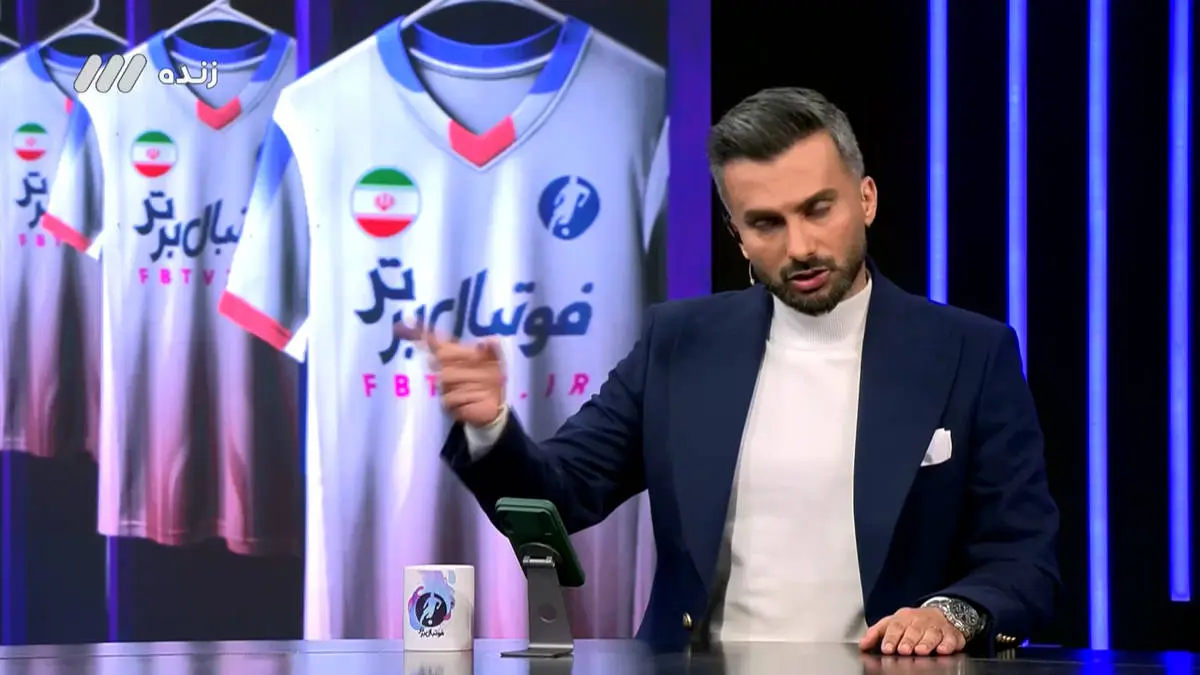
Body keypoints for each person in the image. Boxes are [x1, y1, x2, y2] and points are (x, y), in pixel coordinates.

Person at [416, 87, 1060, 655]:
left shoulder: (971, 353)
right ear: (737, 234)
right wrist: (490, 428)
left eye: (818, 209)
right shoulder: (679, 342)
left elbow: (1024, 563)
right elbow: (561, 497)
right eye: (766, 223)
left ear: (865, 199)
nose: (800, 247)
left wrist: (950, 615)